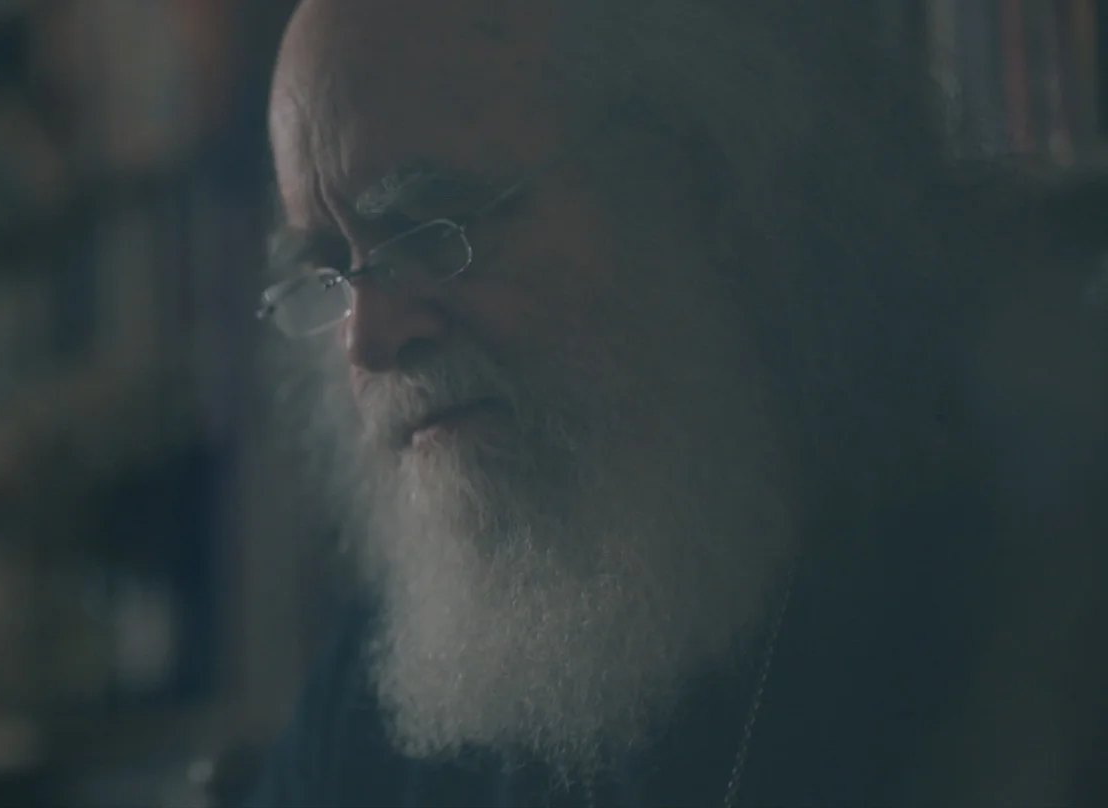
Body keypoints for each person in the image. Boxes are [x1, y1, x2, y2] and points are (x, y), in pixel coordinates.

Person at [241, 0, 1108, 805]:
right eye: (332, 267)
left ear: (698, 185)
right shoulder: (380, 690)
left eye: (435, 224)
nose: (368, 339)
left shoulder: (1022, 595)